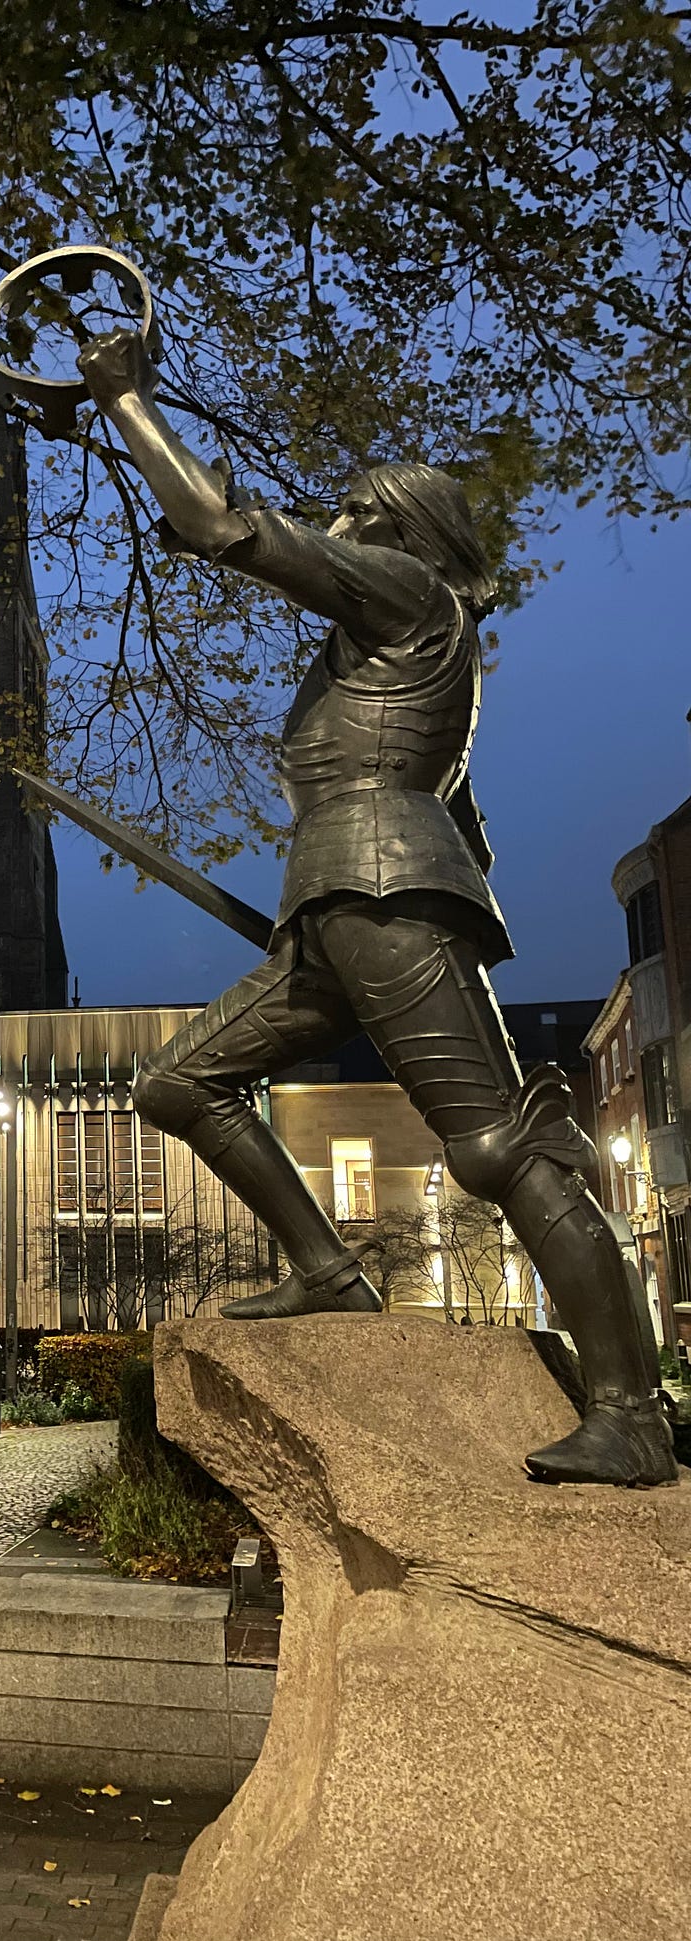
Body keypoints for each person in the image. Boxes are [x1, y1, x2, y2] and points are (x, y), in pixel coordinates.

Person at [76, 327, 676, 1487]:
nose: (338, 531)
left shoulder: (409, 595)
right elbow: (473, 821)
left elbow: (218, 527)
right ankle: (325, 1270)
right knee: (177, 1081)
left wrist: (125, 402)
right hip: (347, 907)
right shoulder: (400, 653)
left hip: (382, 895)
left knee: (500, 1147)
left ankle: (630, 1411)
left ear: (405, 533)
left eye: (356, 513)